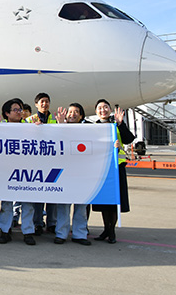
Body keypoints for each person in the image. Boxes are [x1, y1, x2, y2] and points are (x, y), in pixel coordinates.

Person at [92, 99, 134, 244]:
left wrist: (121, 124)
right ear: (96, 111)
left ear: (110, 110)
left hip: (117, 168)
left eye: (105, 107)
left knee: (115, 200)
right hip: (101, 169)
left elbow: (128, 139)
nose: (103, 110)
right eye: (100, 108)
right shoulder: (93, 127)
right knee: (104, 202)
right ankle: (106, 229)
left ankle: (111, 230)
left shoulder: (116, 124)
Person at [0, 98, 37, 245]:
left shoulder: (30, 127)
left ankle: (28, 232)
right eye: (15, 110)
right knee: (6, 204)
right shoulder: (0, 127)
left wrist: (40, 129)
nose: (19, 112)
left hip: (25, 170)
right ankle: (5, 231)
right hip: (6, 170)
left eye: (20, 110)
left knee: (27, 203)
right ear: (7, 113)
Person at [54, 103, 91, 245]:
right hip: (64, 173)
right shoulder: (58, 128)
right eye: (70, 112)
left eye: (76, 112)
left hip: (82, 173)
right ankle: (61, 234)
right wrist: (60, 126)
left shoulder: (88, 130)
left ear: (81, 116)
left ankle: (79, 234)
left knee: (81, 206)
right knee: (63, 206)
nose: (72, 114)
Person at [24, 92, 58, 235]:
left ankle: (52, 223)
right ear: (36, 104)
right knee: (37, 195)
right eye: (42, 101)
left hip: (52, 161)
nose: (45, 104)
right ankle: (37, 222)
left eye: (47, 101)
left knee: (53, 194)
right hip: (36, 162)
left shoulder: (56, 119)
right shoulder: (29, 120)